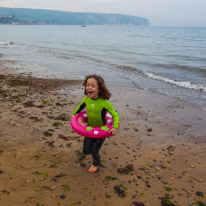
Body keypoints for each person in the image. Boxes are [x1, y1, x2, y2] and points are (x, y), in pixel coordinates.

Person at [72, 74, 119, 173]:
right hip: (90, 129)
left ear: (99, 88)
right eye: (88, 85)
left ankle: (95, 163)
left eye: (93, 86)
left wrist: (115, 128)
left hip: (101, 131)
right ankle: (93, 154)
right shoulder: (86, 100)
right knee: (86, 150)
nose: (89, 87)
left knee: (94, 150)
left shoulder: (104, 103)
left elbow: (115, 116)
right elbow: (80, 107)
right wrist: (74, 114)